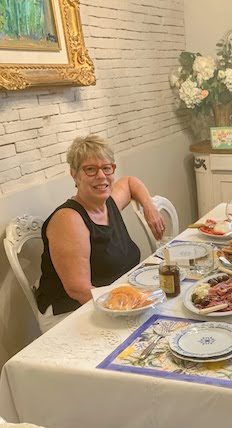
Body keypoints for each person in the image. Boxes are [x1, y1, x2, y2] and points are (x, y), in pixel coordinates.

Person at [36, 134, 165, 322]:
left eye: (107, 168)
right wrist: (133, 303)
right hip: (71, 312)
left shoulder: (108, 202)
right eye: (90, 169)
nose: (101, 176)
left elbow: (130, 182)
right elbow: (78, 290)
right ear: (74, 174)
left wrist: (149, 206)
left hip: (114, 299)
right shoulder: (69, 220)